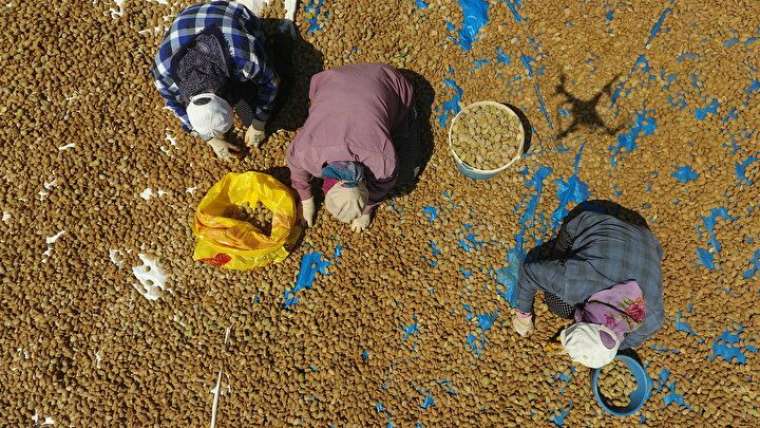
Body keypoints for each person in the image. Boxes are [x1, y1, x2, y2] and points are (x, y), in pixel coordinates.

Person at [511, 208, 664, 368]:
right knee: (558, 305)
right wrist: (523, 316)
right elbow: (529, 271)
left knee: (563, 304)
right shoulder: (575, 283)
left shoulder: (651, 319)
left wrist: (589, 346)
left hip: (647, 239)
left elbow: (627, 340)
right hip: (595, 221)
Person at [286, 63, 416, 232]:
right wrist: (306, 199)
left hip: (390, 83)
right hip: (336, 80)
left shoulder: (383, 162)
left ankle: (413, 114)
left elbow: (380, 188)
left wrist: (366, 212)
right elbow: (297, 169)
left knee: (406, 173)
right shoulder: (306, 152)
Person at [151, 1, 279, 160]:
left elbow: (271, 82)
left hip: (228, 13)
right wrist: (211, 140)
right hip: (187, 21)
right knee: (247, 114)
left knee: (250, 105)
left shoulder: (242, 57)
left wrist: (259, 123)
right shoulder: (163, 74)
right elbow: (174, 105)